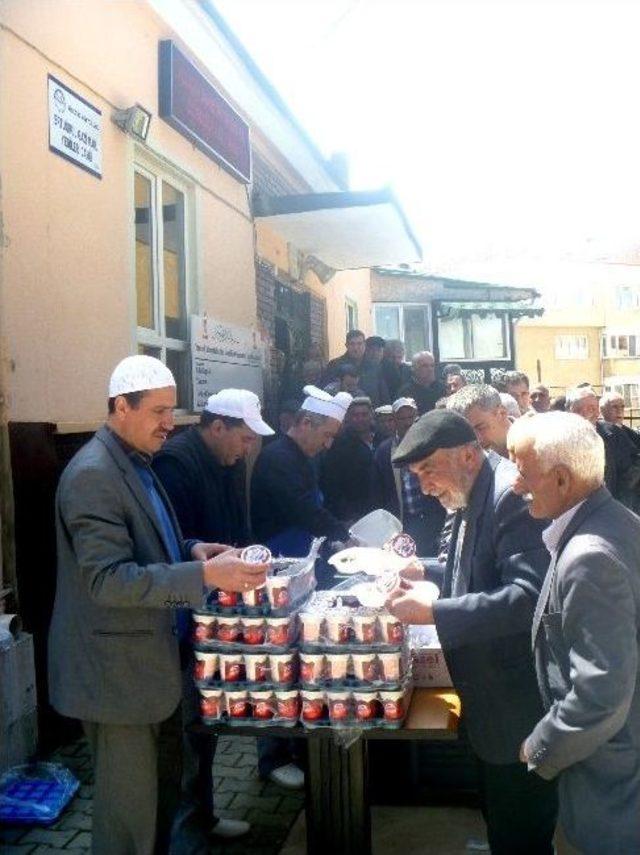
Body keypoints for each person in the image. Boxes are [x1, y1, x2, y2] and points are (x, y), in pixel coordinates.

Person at [48, 356, 268, 855]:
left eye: (173, 411)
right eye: (160, 411)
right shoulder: (93, 474)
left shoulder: (134, 461)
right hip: (118, 680)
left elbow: (143, 547)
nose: (171, 423)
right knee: (130, 822)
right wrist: (204, 576)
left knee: (159, 808)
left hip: (151, 673)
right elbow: (107, 580)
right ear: (121, 407)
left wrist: (190, 550)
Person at [386, 410, 557, 854]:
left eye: (428, 470)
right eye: (416, 474)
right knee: (500, 815)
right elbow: (473, 569)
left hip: (517, 704)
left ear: (467, 454)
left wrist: (435, 613)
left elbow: (527, 597)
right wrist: (424, 567)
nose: (423, 486)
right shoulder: (471, 490)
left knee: (521, 826)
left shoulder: (507, 498)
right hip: (490, 701)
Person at [508, 412, 640, 855]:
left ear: (562, 480)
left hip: (610, 794)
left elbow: (600, 693)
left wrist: (540, 746)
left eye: (523, 472)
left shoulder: (589, 556)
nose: (514, 485)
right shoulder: (617, 521)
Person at [153, 389, 274, 845]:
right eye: (242, 438)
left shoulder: (229, 460)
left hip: (219, 609)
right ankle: (187, 834)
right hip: (184, 617)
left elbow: (238, 529)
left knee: (208, 724)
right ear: (216, 427)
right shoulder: (176, 463)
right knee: (190, 729)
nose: (247, 449)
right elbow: (173, 547)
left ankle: (204, 816)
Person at [250, 385, 352, 790]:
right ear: (305, 423)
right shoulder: (277, 459)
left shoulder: (304, 458)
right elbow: (303, 509)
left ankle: (292, 744)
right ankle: (270, 757)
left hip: (300, 571)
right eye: (325, 435)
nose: (327, 445)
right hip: (275, 574)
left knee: (296, 662)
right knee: (272, 664)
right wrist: (343, 535)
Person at [373, 397, 445, 556]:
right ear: (394, 421)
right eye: (401, 418)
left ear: (417, 417)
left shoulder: (430, 445)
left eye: (410, 417)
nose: (407, 422)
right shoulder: (384, 451)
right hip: (402, 523)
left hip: (432, 520)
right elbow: (380, 491)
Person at [566, 385, 640, 508]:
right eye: (579, 409)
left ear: (597, 411)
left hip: (613, 506)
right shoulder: (559, 439)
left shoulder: (613, 433)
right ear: (569, 411)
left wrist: (620, 497)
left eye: (592, 408)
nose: (587, 413)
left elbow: (633, 464)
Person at [320, 397, 377, 523]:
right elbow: (331, 485)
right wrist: (348, 516)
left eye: (364, 414)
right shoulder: (339, 445)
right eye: (355, 415)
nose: (360, 419)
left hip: (379, 511)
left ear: (371, 415)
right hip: (353, 516)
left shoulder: (381, 438)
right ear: (348, 417)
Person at [447, 384, 511, 458]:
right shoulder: (467, 463)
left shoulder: (527, 438)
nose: (477, 440)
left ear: (502, 413)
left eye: (480, 428)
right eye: (467, 433)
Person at [398, 350, 446, 415]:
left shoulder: (442, 388)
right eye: (424, 366)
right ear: (413, 368)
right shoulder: (406, 392)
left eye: (432, 365)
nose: (430, 369)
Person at [358, 335, 391, 406]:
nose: (375, 353)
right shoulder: (359, 369)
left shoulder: (390, 367)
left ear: (383, 352)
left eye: (379, 350)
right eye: (371, 350)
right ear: (366, 351)